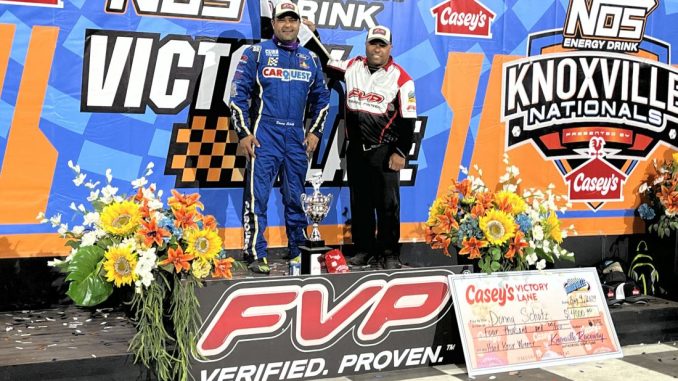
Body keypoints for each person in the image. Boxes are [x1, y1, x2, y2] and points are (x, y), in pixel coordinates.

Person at [230, 1, 330, 274]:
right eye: (282, 20)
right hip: (265, 135)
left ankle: (298, 250)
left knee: (297, 197)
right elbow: (237, 94)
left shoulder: (310, 59)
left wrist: (315, 131)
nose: (288, 25)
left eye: (293, 20)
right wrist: (244, 133)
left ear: (299, 24)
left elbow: (323, 98)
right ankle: (255, 252)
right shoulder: (256, 53)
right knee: (256, 197)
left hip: (296, 138)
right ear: (273, 24)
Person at [322, 25, 417, 270]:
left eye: (382, 44)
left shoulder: (402, 79)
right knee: (360, 203)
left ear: (390, 48)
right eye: (373, 43)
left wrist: (400, 152)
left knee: (387, 206)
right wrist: (308, 34)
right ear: (366, 45)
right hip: (356, 149)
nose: (377, 48)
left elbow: (409, 120)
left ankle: (389, 253)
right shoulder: (352, 66)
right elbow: (325, 60)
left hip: (384, 150)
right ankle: (364, 250)